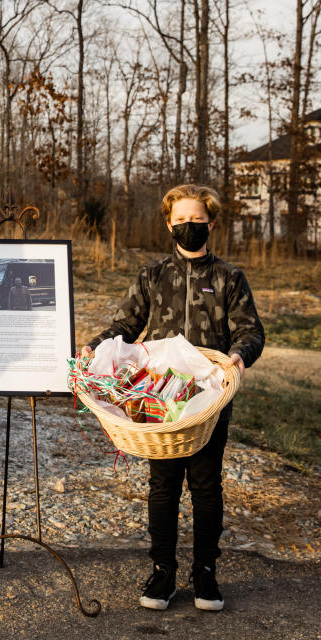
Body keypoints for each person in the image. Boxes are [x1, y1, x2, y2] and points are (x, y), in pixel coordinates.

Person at [82, 184, 264, 613]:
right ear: (169, 224)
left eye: (197, 220)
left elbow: (250, 331)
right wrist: (95, 347)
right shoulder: (153, 275)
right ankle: (162, 571)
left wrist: (239, 358)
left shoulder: (228, 278)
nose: (189, 227)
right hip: (159, 399)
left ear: (212, 223)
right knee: (162, 487)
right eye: (180, 220)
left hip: (209, 400)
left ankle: (205, 573)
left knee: (206, 485)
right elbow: (124, 325)